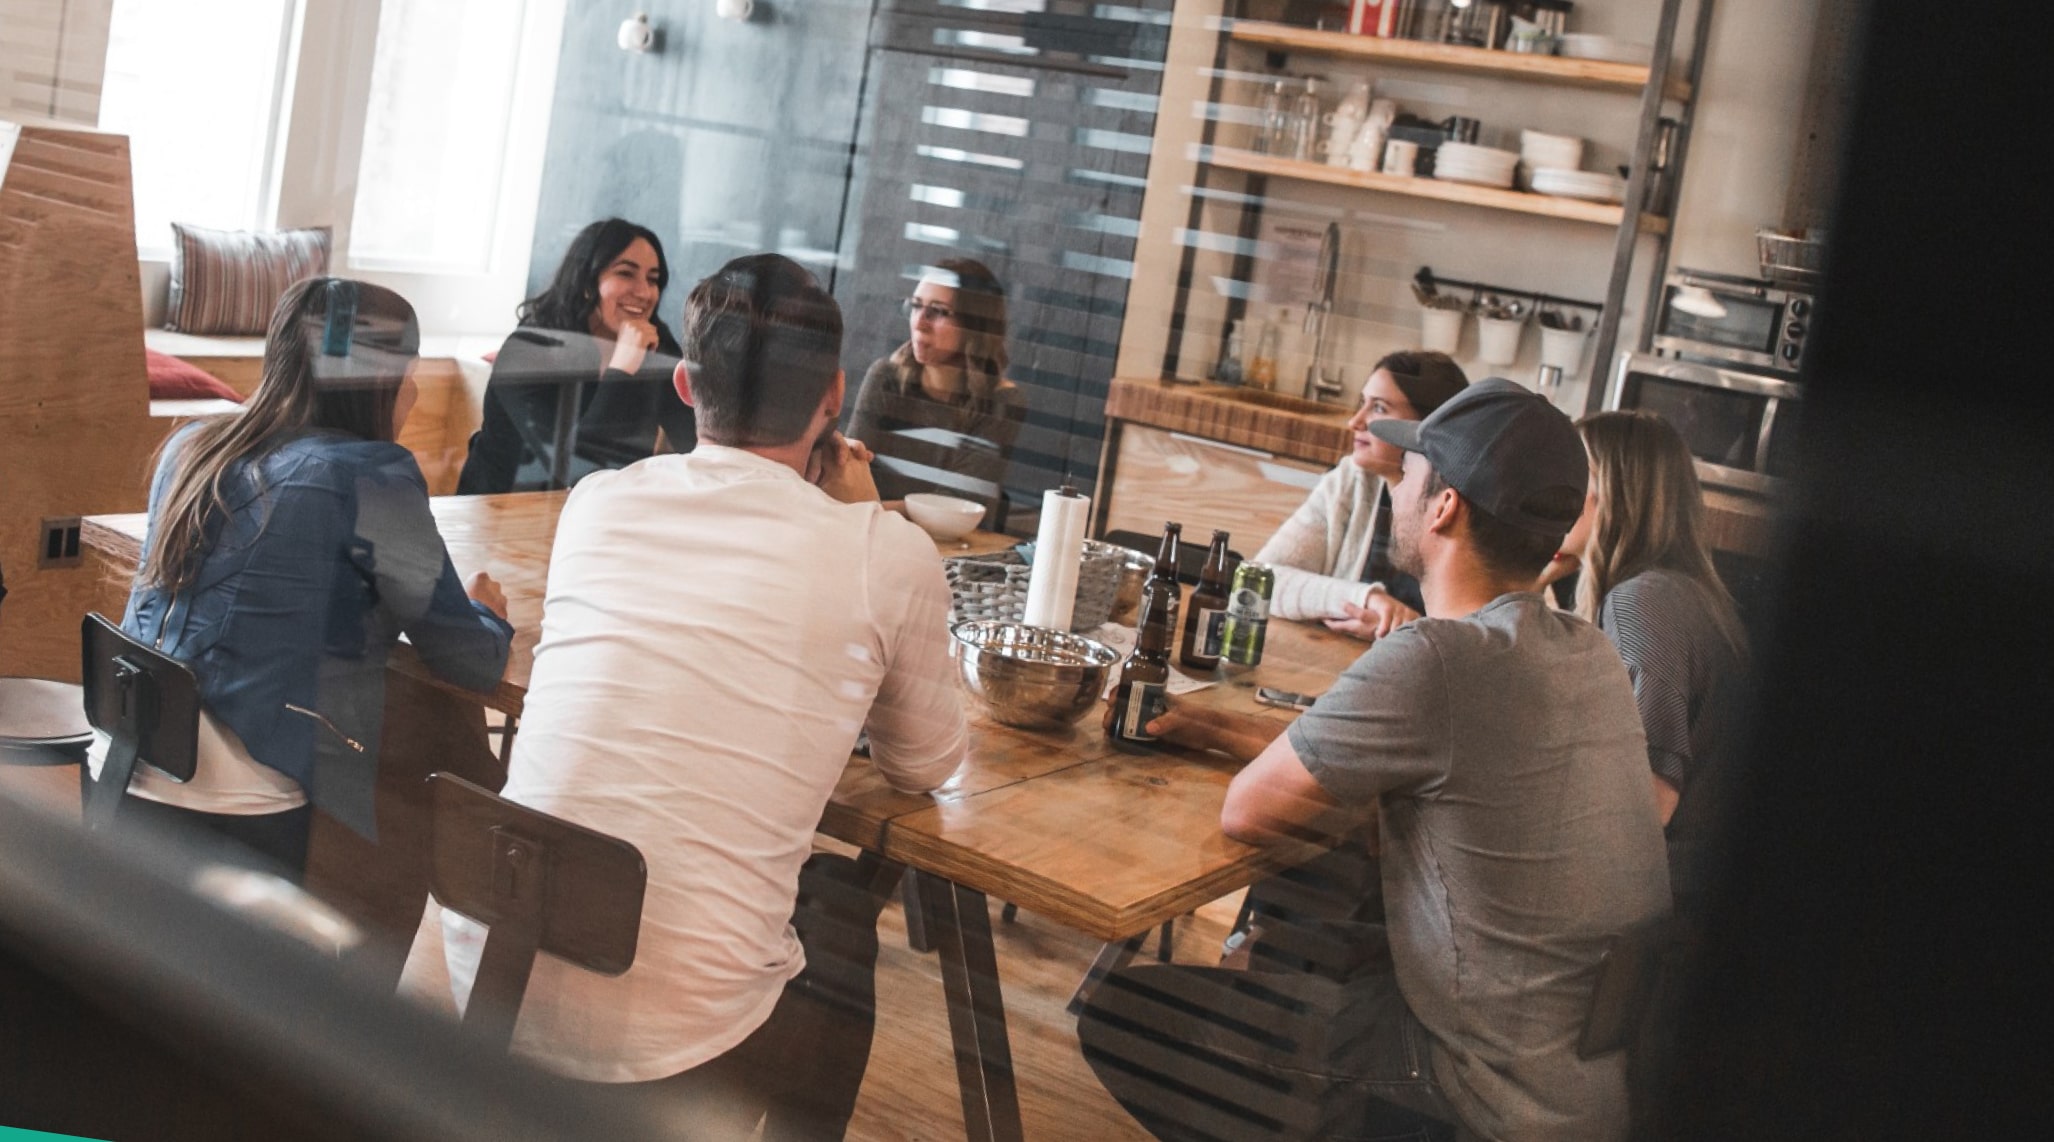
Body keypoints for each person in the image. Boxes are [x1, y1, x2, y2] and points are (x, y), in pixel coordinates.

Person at [402, 253, 967, 1140]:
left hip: (483, 960)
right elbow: (925, 763)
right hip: (675, 1039)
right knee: (843, 919)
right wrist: (870, 516)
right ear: (835, 395)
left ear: (684, 383)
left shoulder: (598, 503)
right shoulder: (882, 551)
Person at [1077, 379, 1671, 1142]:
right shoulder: (1584, 652)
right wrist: (1218, 731)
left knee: (1135, 1020)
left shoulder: (1439, 657)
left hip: (1477, 1091)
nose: (1397, 484)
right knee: (1304, 941)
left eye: (1413, 470)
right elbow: (1427, 773)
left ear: (1445, 505)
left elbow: (1251, 809)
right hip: (1577, 1084)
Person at [97, 278, 514, 881]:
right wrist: (487, 613)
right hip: (238, 804)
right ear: (379, 380)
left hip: (122, 765)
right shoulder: (370, 477)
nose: (416, 393)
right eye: (410, 374)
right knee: (425, 770)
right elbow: (468, 659)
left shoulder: (192, 448)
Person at [1543, 409, 1750, 911]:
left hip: (1668, 901)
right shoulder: (1675, 589)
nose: (1553, 492)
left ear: (1612, 493)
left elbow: (1646, 803)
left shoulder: (1645, 602)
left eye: (1573, 475)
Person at [455, 218, 696, 493]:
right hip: (502, 513)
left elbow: (696, 438)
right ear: (587, 283)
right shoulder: (528, 350)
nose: (643, 292)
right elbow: (576, 470)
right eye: (625, 273)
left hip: (600, 512)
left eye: (653, 280)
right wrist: (623, 367)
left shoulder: (655, 343)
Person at [1254, 351, 1469, 642]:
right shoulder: (1349, 481)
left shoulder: (1464, 510)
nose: (1355, 421)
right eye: (1362, 404)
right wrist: (1366, 599)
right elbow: (1258, 581)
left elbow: (1472, 640)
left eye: (1379, 408)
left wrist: (1398, 632)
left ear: (1428, 426)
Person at [845, 257, 1025, 513]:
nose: (920, 322)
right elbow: (849, 469)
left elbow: (959, 503)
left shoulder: (1002, 402)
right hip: (876, 531)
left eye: (938, 311)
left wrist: (872, 510)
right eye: (916, 306)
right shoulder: (887, 377)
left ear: (974, 327)